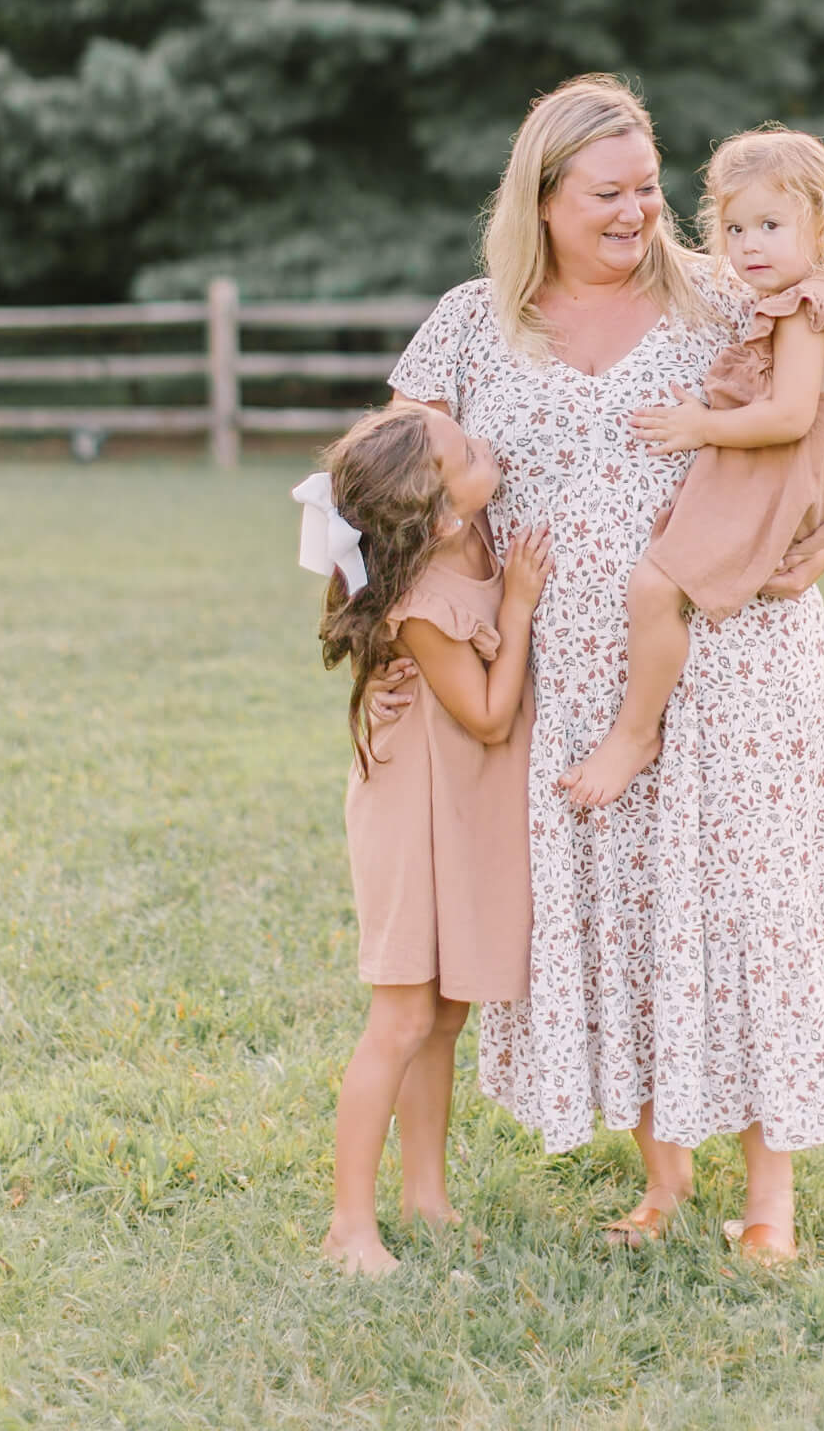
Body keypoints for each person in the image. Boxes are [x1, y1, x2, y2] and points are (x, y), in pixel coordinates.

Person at [387, 76, 824, 1263]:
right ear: (544, 198)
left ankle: (770, 1202)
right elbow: (385, 469)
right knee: (632, 920)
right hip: (568, 682)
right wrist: (407, 612)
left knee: (741, 910)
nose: (635, 212)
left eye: (648, 189)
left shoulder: (732, 293)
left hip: (732, 664)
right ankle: (662, 1184)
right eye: (606, 193)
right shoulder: (472, 321)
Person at [558, 126, 824, 811]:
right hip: (758, 477)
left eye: (770, 225)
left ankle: (633, 733)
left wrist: (698, 427)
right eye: (735, 228)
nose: (748, 246)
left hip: (765, 483)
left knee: (653, 587)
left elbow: (790, 417)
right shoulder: (811, 300)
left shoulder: (807, 309)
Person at [295, 406, 551, 1276]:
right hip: (412, 813)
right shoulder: (426, 605)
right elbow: (484, 716)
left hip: (459, 809)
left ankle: (426, 1197)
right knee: (402, 1015)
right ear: (438, 512)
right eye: (468, 450)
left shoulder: (472, 533)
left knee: (444, 1012)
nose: (489, 445)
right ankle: (348, 1227)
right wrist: (516, 610)